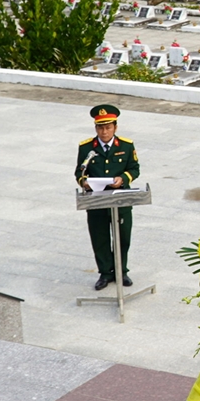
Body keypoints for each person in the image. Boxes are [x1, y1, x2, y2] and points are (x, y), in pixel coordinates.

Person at [75, 104, 139, 291]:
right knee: (99, 236)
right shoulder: (86, 147)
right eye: (101, 127)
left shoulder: (126, 146)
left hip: (120, 199)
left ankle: (121, 271)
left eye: (108, 127)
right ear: (96, 128)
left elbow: (134, 168)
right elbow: (79, 171)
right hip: (96, 200)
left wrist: (124, 178)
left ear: (115, 128)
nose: (104, 132)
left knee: (122, 236)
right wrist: (84, 182)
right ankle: (105, 273)